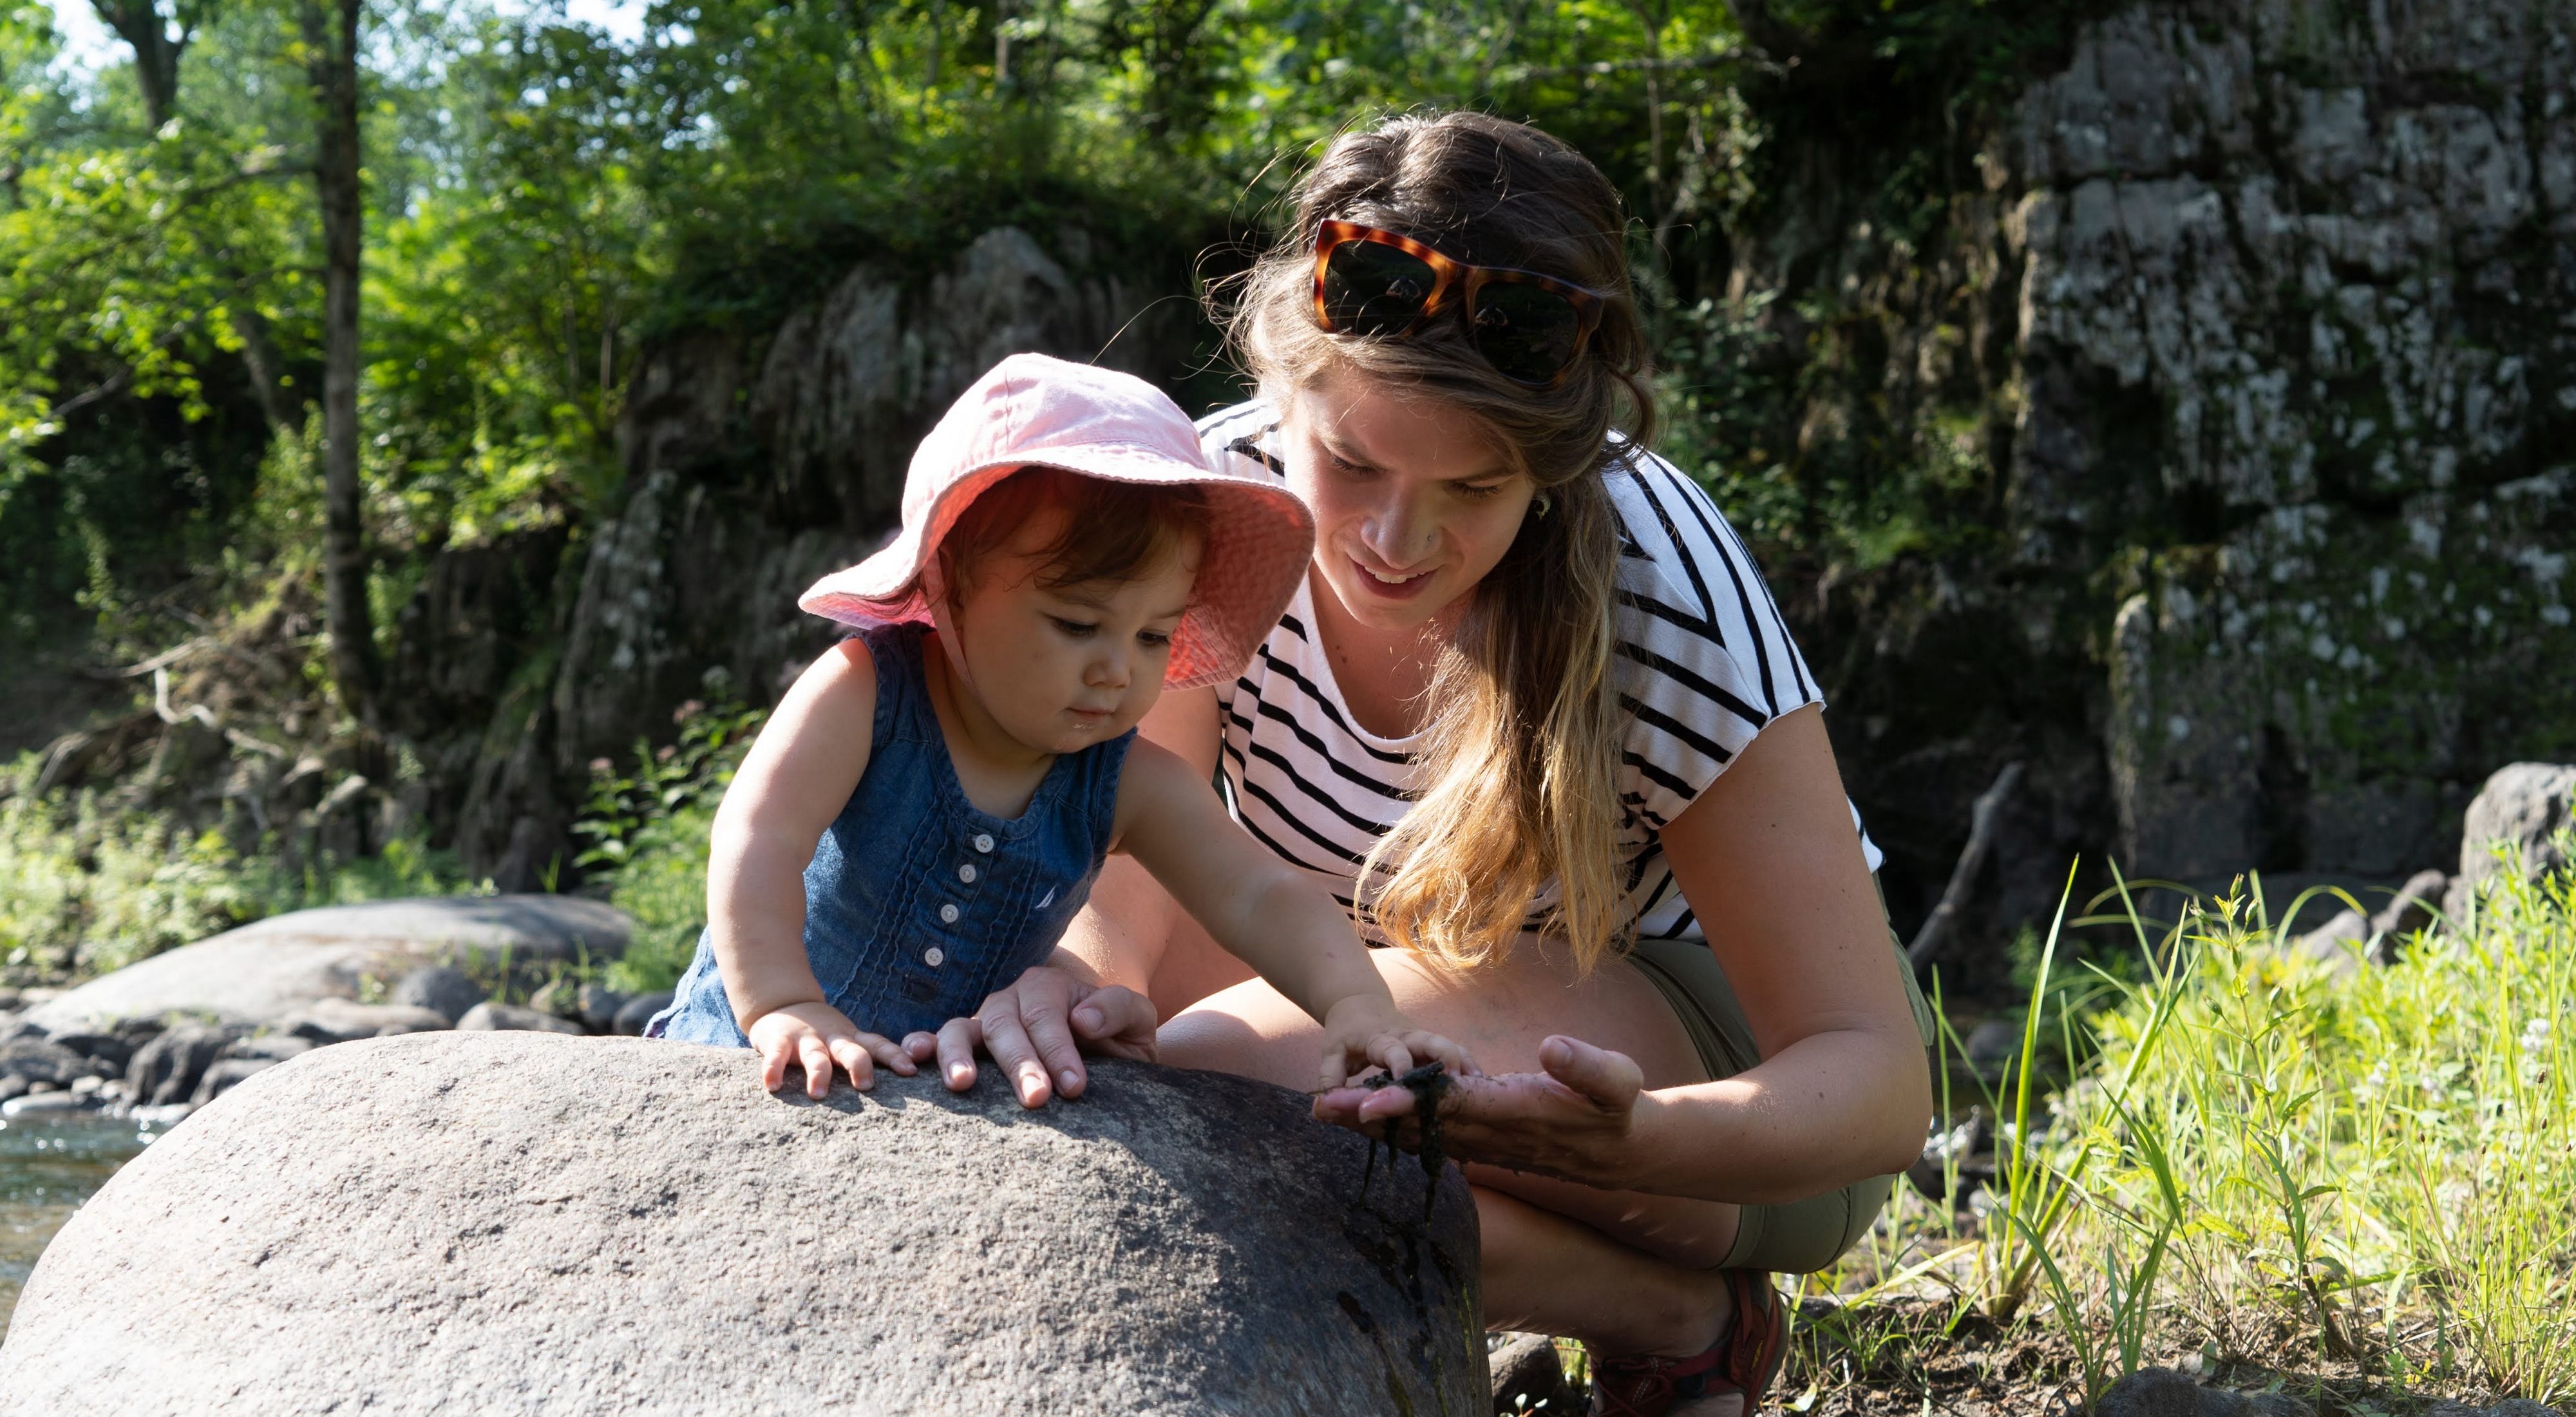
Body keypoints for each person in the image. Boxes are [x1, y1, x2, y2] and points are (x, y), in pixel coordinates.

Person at [936, 118, 1937, 1417]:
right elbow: (1134, 886)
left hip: (1726, 1087)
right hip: (1371, 984)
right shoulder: (1201, 513)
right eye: (1347, 461)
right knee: (1119, 1082)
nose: (1392, 540)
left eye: (1470, 488)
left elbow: (1876, 1089)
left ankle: (1661, 1283)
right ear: (1270, 372)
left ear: (1554, 462)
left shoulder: (1656, 578)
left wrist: (1630, 1141)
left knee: (1228, 1098)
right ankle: (1677, 1325)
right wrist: (1066, 984)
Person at [648, 353, 1474, 1102]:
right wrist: (782, 1002)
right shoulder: (868, 690)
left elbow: (1258, 891)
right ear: (947, 588)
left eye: (1155, 635)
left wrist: (1357, 1006)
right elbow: (760, 834)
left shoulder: (1122, 779)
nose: (1118, 668)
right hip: (748, 1052)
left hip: (958, 1090)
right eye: (1078, 624)